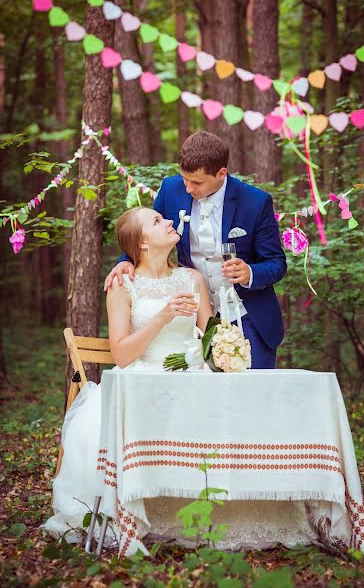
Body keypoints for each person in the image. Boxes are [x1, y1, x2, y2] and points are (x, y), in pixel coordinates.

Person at [43, 206, 318, 553]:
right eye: (158, 221)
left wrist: (226, 348)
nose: (170, 221)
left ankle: (228, 503)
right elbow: (123, 356)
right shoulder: (121, 284)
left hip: (193, 376)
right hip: (142, 380)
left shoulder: (192, 279)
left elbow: (210, 335)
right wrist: (162, 316)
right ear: (142, 243)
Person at [104, 132, 287, 369]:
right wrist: (125, 260)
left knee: (253, 398)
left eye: (197, 182)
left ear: (222, 174)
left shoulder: (255, 202)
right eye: (184, 179)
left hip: (246, 316)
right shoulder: (171, 190)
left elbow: (276, 262)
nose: (188, 188)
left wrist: (250, 272)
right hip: (190, 322)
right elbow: (145, 234)